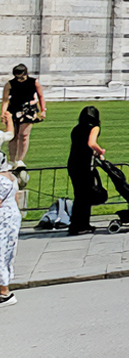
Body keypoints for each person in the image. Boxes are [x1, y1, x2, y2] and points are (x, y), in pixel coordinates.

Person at [67, 105, 105, 234]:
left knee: (79, 195)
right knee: (85, 196)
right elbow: (91, 143)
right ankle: (82, 224)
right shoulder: (94, 127)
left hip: (73, 163)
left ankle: (77, 224)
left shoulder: (76, 129)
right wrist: (100, 151)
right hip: (84, 164)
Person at [2, 65, 44, 164]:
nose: (19, 80)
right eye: (17, 77)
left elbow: (41, 96)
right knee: (12, 135)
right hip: (13, 109)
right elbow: (5, 100)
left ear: (26, 74)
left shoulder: (34, 82)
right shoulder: (10, 84)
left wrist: (43, 110)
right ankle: (12, 160)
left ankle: (20, 160)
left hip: (28, 110)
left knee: (24, 135)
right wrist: (3, 113)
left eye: (21, 77)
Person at [0, 153, 17, 306]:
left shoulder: (1, 181)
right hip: (11, 217)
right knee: (6, 254)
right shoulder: (10, 177)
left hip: (3, 219)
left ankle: (4, 292)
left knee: (1, 254)